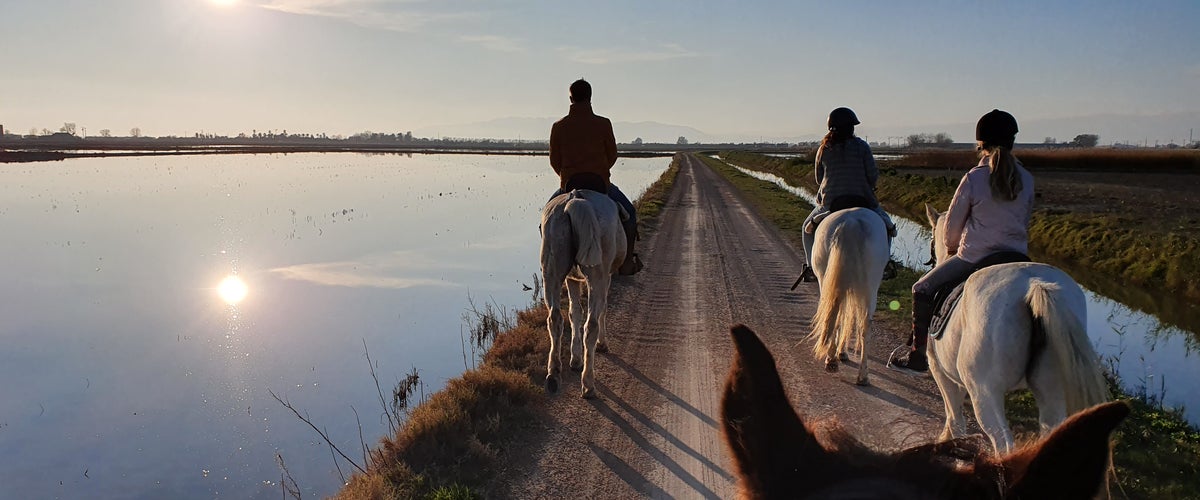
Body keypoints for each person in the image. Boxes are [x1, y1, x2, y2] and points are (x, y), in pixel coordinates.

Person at [890, 109, 1034, 372]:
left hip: (975, 258)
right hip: (1017, 257)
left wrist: (953, 248)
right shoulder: (1027, 178)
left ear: (981, 144)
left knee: (921, 288)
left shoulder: (974, 178)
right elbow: (1024, 221)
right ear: (1012, 141)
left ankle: (918, 356)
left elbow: (951, 230)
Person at [548, 79, 642, 275]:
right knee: (630, 215)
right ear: (590, 98)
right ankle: (626, 264)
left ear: (570, 98)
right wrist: (600, 171)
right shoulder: (603, 124)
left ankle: (551, 263)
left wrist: (566, 178)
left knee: (546, 220)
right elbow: (612, 155)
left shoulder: (559, 126)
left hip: (569, 186)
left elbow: (554, 161)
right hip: (600, 185)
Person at [799, 107, 897, 282]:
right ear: (851, 128)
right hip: (863, 200)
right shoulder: (862, 146)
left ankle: (811, 268)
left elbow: (818, 179)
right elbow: (872, 176)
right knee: (888, 228)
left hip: (831, 203)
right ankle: (885, 265)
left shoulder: (823, 149)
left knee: (807, 229)